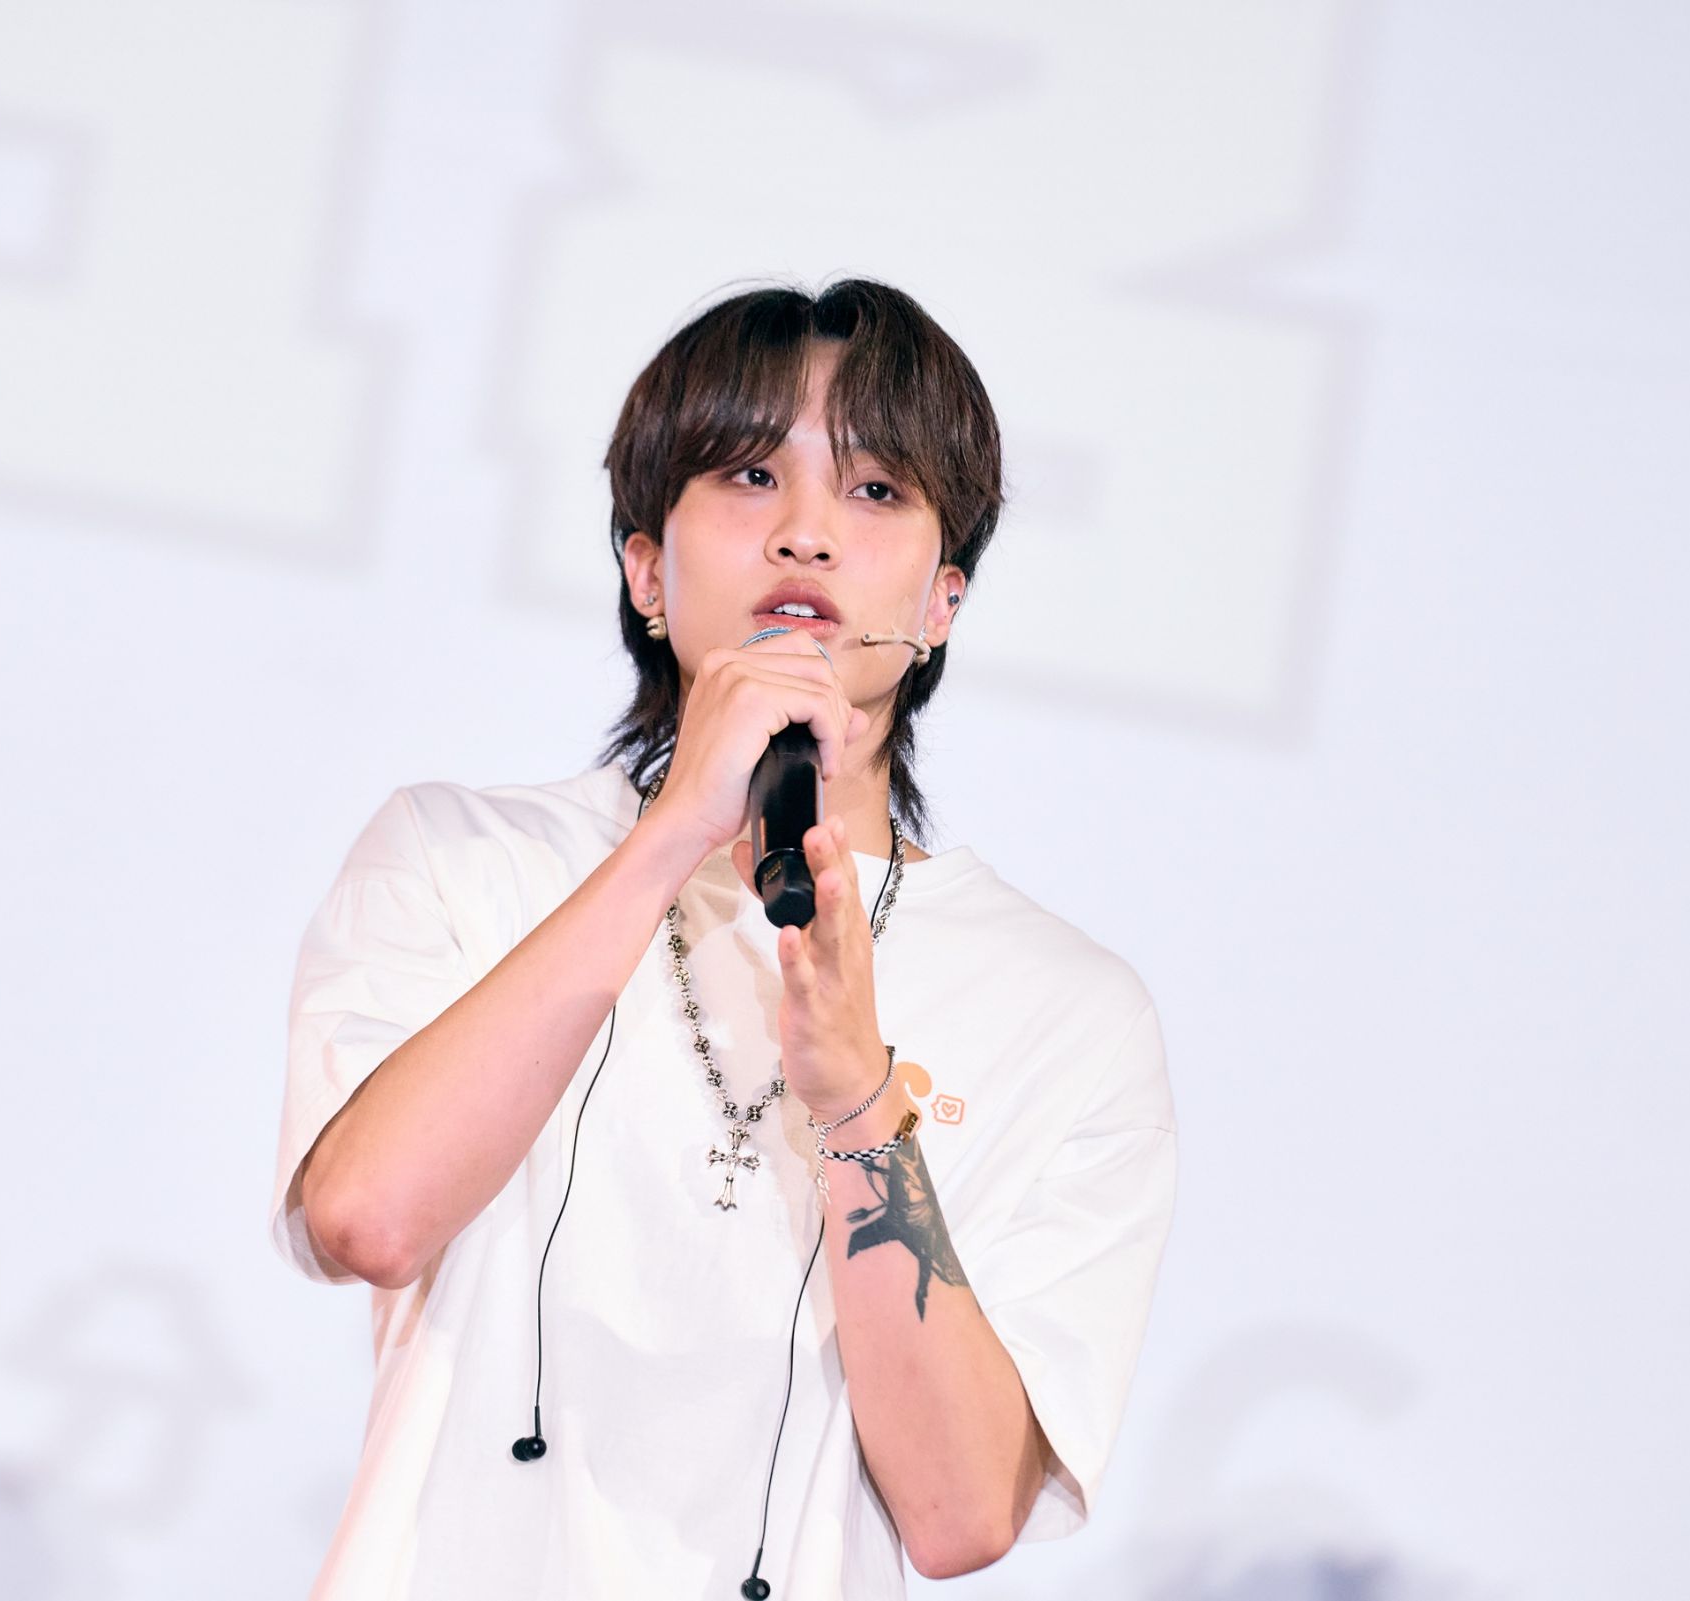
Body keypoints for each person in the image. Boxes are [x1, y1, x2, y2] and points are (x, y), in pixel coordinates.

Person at [270, 279, 1177, 1600]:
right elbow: (368, 1217)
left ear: (943, 601)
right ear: (647, 569)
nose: (806, 531)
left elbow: (960, 1511)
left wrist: (859, 1103)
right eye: (752, 475)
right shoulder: (463, 856)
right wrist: (671, 836)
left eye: (875, 489)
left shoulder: (1066, 1008)